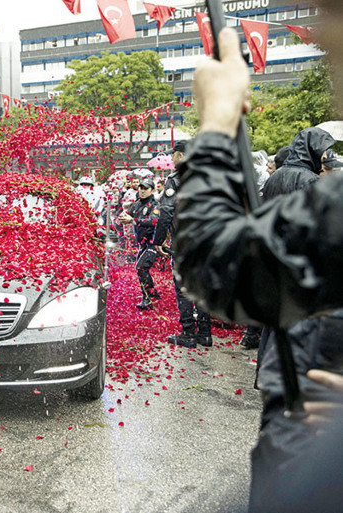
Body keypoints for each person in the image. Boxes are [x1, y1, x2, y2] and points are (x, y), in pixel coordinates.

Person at [174, 14, 343, 512]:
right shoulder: (317, 191)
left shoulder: (311, 193)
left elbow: (215, 257)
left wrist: (217, 127)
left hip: (299, 394)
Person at [153, 140, 212, 349]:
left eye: (173, 155)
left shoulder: (176, 179)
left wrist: (158, 240)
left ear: (180, 155)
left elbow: (167, 211)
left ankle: (188, 332)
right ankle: (205, 333)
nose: (171, 159)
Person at [119, 175, 160, 310]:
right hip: (142, 244)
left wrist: (133, 221)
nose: (142, 191)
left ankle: (147, 298)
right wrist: (122, 217)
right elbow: (127, 214)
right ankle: (152, 294)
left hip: (153, 243)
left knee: (141, 268)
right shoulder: (137, 203)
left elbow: (153, 222)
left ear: (152, 190)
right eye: (141, 188)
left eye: (146, 188)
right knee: (141, 268)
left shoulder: (155, 205)